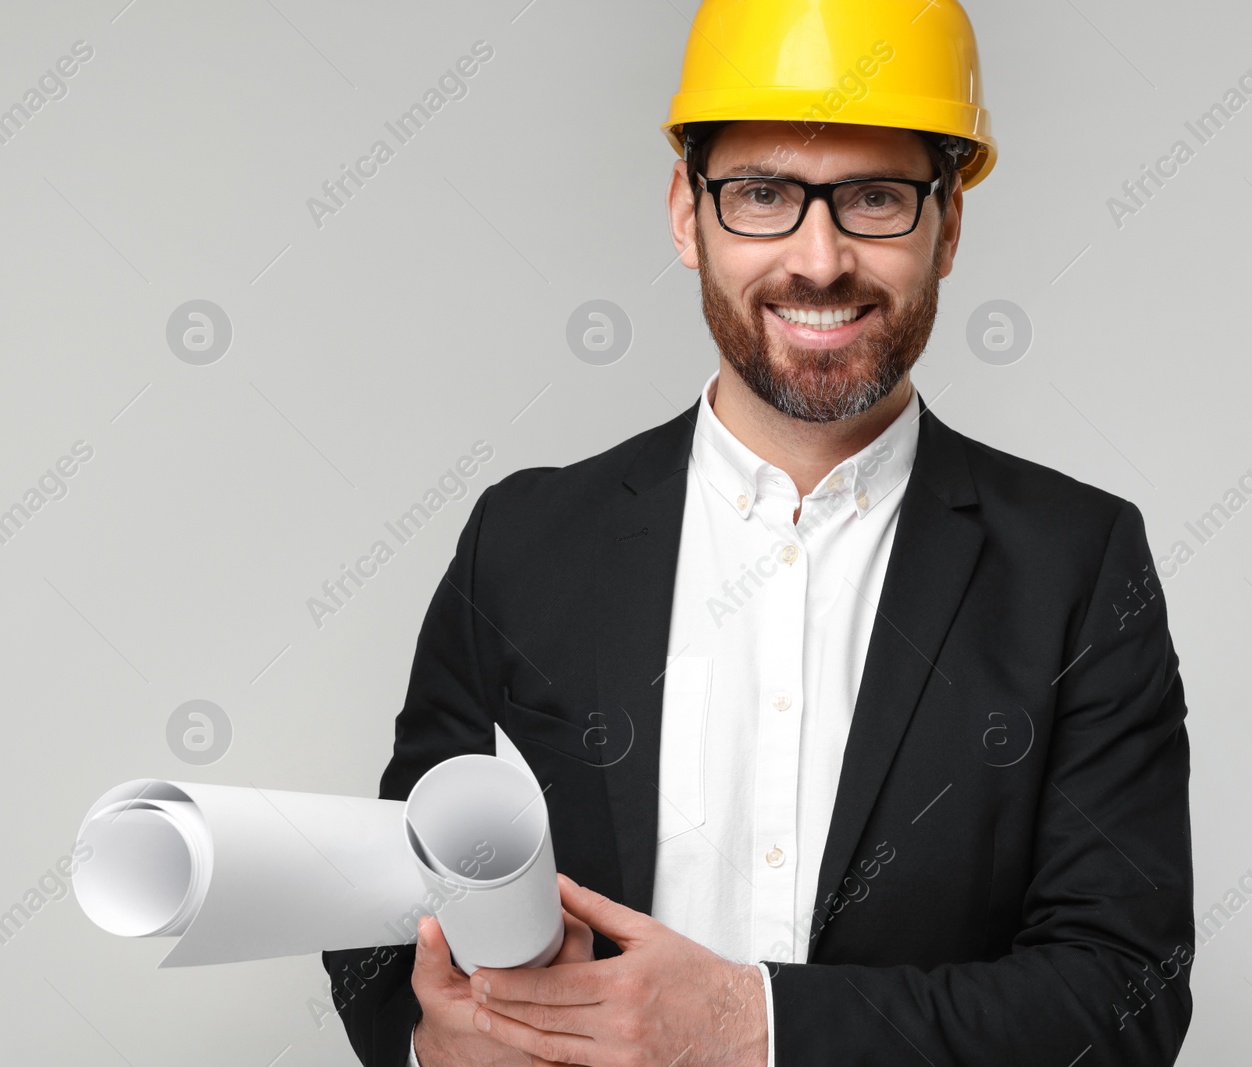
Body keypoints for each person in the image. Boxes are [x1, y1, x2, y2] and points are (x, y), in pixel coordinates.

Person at [323, 1, 1194, 1064]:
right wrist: (433, 1045)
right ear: (688, 216)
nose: (818, 259)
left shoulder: (1077, 566)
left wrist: (753, 1025)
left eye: (874, 198)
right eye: (763, 196)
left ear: (948, 225)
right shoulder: (525, 540)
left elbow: (1118, 996)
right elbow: (384, 907)